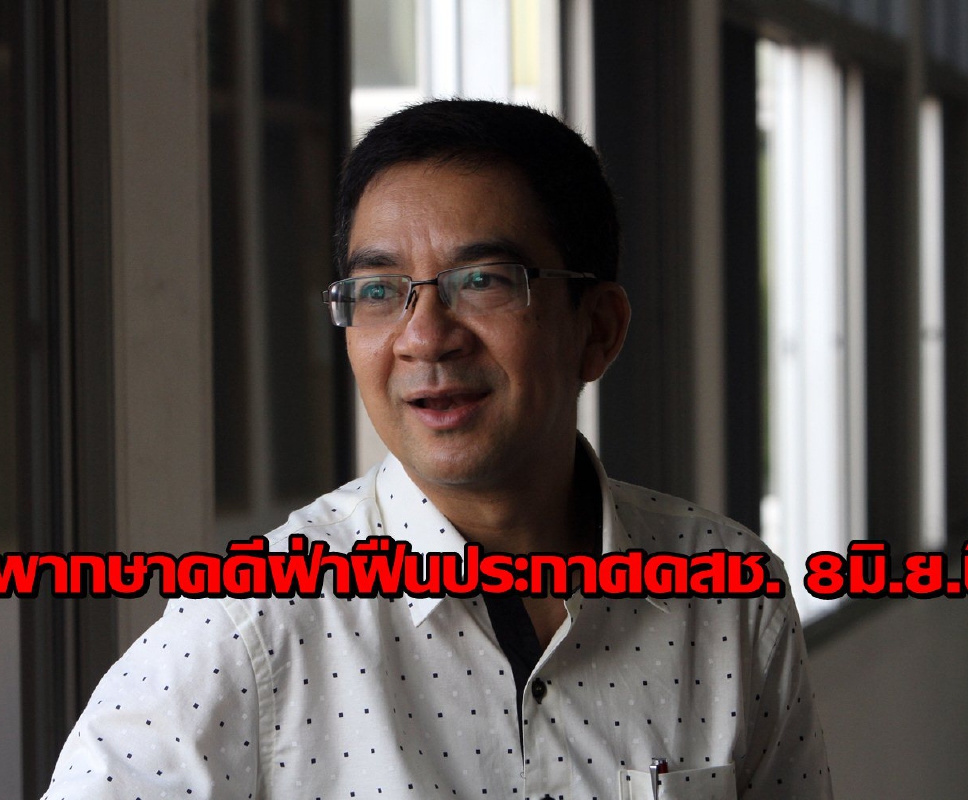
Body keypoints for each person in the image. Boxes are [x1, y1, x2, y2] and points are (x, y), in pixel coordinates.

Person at [42, 99, 831, 799]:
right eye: (378, 291)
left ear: (598, 329)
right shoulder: (254, 625)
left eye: (482, 280)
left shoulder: (730, 593)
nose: (424, 337)